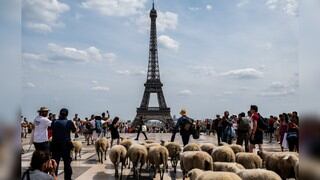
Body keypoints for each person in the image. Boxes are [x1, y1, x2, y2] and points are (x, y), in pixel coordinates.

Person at [51, 108, 77, 180]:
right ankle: (67, 178)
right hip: (66, 145)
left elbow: (52, 128)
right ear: (67, 114)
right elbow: (74, 131)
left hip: (55, 145)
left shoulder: (54, 121)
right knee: (67, 164)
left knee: (55, 163)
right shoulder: (69, 122)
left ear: (60, 113)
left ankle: (53, 178)